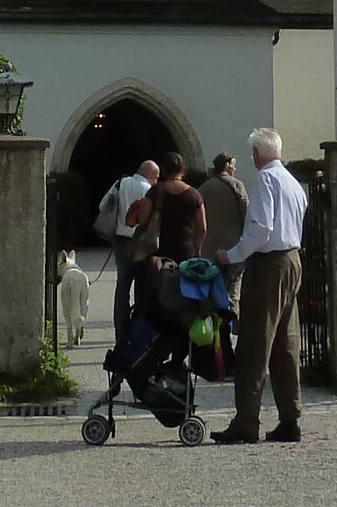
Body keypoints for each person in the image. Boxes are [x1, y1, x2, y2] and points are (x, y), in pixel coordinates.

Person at [210, 126, 309, 444]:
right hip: (292, 260)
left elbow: (262, 228)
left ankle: (246, 421)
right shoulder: (293, 182)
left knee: (254, 342)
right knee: (285, 343)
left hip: (269, 265)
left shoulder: (266, 180)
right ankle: (290, 418)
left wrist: (233, 255)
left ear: (257, 153)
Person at [104, 157, 158, 340]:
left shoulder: (121, 183)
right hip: (141, 242)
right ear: (149, 174)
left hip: (120, 241)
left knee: (122, 287)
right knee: (142, 287)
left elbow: (103, 206)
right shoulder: (149, 190)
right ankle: (137, 331)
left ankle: (120, 331)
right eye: (156, 177)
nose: (156, 181)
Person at [129, 150, 207, 266]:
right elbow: (202, 228)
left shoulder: (155, 191)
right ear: (183, 170)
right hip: (185, 247)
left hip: (158, 247)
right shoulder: (194, 194)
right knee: (182, 282)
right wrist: (197, 248)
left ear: (164, 169)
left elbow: (143, 220)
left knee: (154, 282)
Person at [200, 151, 250, 303]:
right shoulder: (237, 185)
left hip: (209, 250)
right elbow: (247, 215)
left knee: (210, 296)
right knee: (233, 294)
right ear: (227, 166)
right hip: (233, 249)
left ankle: (213, 325)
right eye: (234, 166)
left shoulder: (204, 188)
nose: (235, 170)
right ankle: (232, 324)